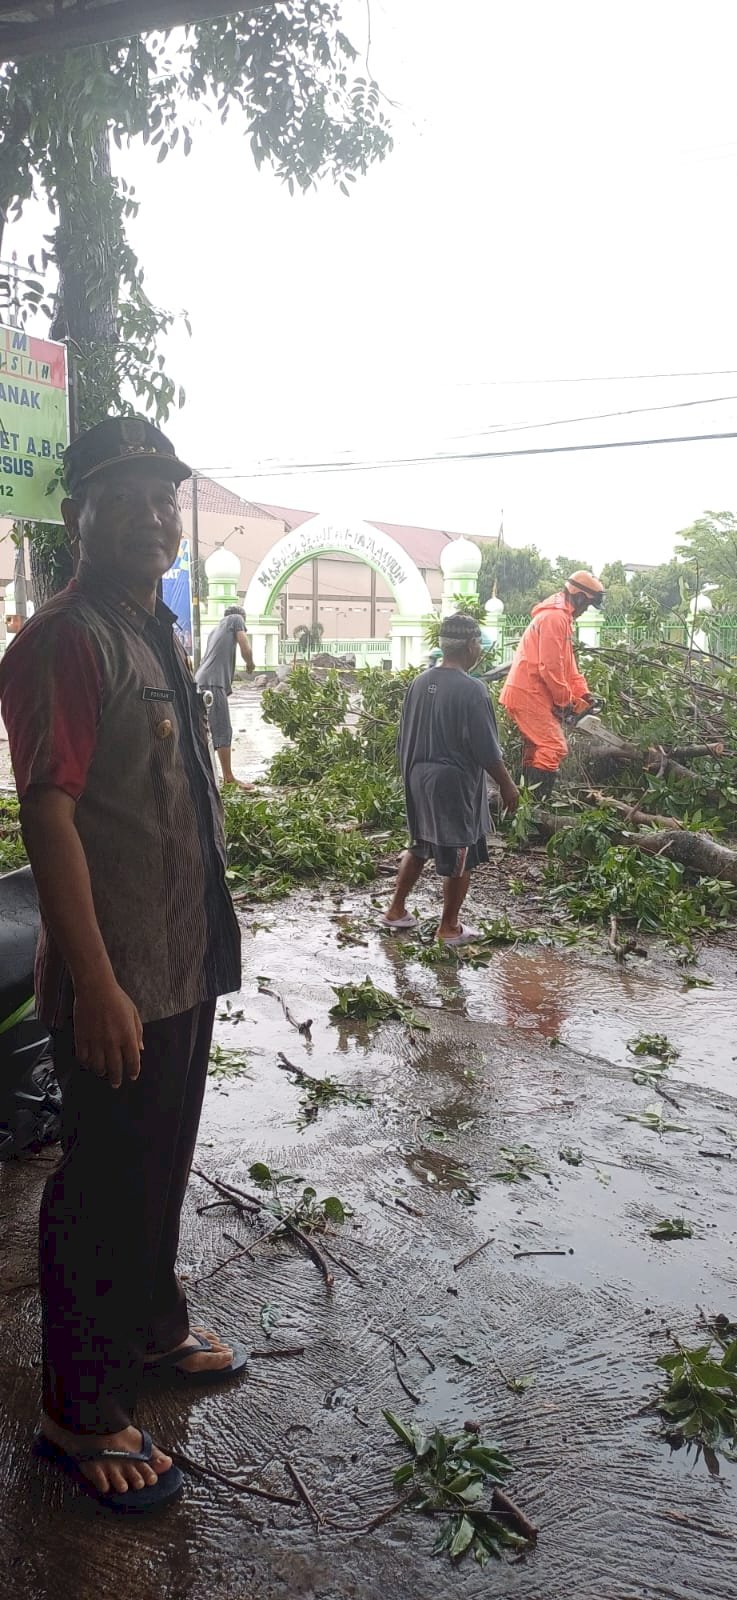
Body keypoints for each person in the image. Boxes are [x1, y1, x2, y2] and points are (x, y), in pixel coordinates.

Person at [0, 416, 246, 1515]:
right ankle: (78, 1409)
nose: (154, 513)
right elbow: (47, 816)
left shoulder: (157, 631)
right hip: (116, 977)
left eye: (167, 494)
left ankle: (148, 1327)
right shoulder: (65, 640)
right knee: (99, 1185)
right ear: (78, 514)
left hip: (179, 956)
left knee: (160, 1159)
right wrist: (94, 983)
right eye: (129, 493)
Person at [384, 613, 519, 945]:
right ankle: (449, 928)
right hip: (452, 784)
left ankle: (396, 910)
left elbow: (403, 739)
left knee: (420, 843)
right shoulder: (473, 689)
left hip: (417, 775)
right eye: (479, 646)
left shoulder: (418, 683)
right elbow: (487, 750)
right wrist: (507, 784)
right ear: (471, 646)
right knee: (461, 851)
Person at [499, 570, 604, 799]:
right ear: (578, 596)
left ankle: (522, 806)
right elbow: (550, 668)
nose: (586, 610)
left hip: (532, 692)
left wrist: (583, 695)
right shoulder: (554, 618)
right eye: (587, 604)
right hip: (529, 693)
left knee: (537, 749)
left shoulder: (562, 618)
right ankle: (537, 807)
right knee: (554, 747)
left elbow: (568, 665)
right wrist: (566, 702)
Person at [195, 604, 254, 788]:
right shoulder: (236, 620)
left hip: (199, 681)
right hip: (213, 683)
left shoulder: (215, 630)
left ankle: (204, 775)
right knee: (222, 730)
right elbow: (246, 647)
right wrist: (250, 664)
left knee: (203, 731)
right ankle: (229, 778)